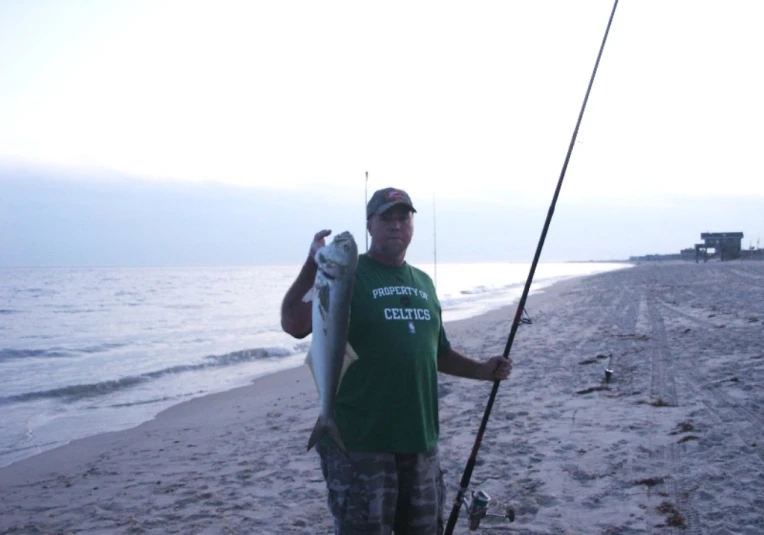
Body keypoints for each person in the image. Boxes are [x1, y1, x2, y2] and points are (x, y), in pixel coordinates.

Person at [280, 187, 512, 535]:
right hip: (359, 442)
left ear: (412, 224)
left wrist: (482, 370)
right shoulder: (347, 274)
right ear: (369, 225)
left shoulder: (424, 282)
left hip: (420, 442)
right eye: (386, 217)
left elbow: (437, 352)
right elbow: (294, 323)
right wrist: (312, 266)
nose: (396, 224)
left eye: (403, 217)